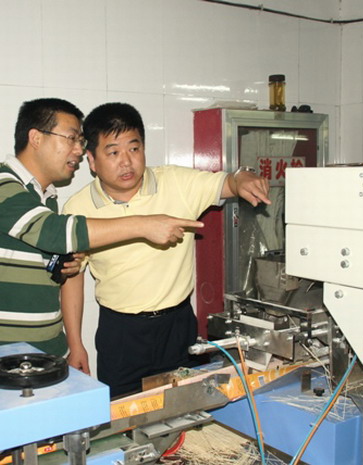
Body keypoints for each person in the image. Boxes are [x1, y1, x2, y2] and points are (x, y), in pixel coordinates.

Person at [0, 98, 203, 355]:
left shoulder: (47, 199)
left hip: (47, 350)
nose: (78, 151)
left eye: (80, 142)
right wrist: (143, 225)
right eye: (71, 139)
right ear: (36, 138)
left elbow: (44, 259)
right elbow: (53, 232)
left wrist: (63, 266)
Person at [61, 102, 270, 397]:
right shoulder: (77, 208)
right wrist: (75, 344)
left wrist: (242, 177)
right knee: (125, 411)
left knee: (190, 406)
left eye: (134, 149)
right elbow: (72, 277)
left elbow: (227, 182)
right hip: (121, 333)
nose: (126, 162)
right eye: (113, 152)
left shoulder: (176, 183)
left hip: (178, 325)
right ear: (92, 161)